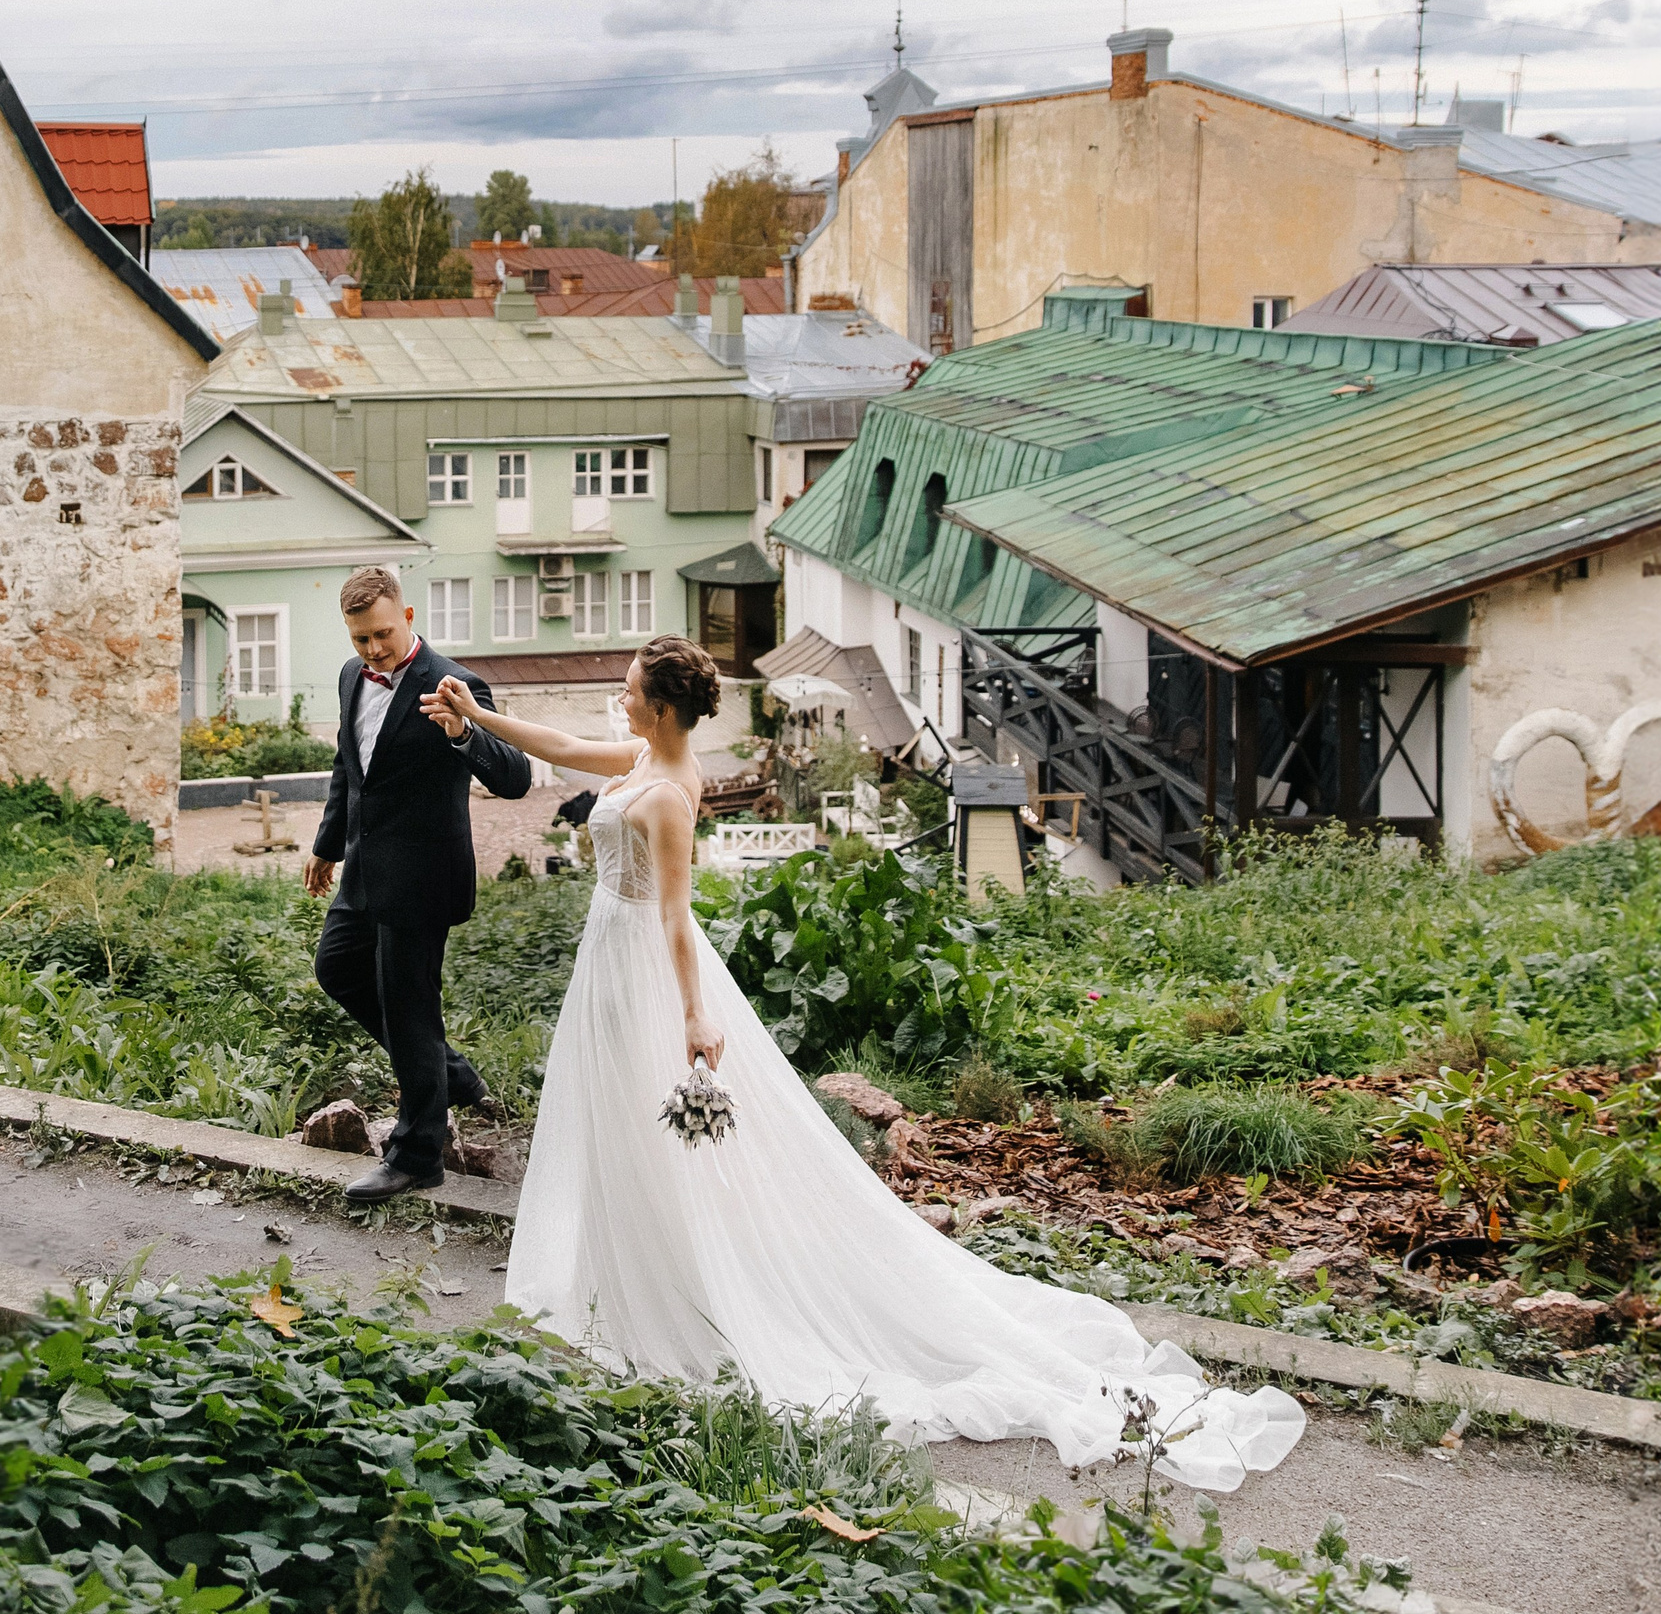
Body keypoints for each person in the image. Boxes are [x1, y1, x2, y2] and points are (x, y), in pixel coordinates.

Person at [426, 633, 1306, 1492]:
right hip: (606, 964)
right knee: (617, 1130)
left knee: (650, 1135)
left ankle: (674, 1293)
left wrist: (694, 1013)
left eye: (628, 687)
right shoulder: (645, 760)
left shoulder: (665, 796)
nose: (618, 695)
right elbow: (567, 745)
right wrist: (477, 717)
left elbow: (674, 918)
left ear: (658, 710)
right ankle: (620, 1282)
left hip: (640, 969)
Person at [307, 566, 531, 1205]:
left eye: (381, 634)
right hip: (363, 869)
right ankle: (450, 1070)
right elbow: (349, 769)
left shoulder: (454, 683)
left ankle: (417, 1155)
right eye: (360, 640)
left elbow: (515, 777)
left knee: (409, 1010)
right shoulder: (353, 677)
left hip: (425, 877)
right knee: (336, 968)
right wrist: (327, 846)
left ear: (407, 618)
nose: (372, 650)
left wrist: (463, 731)